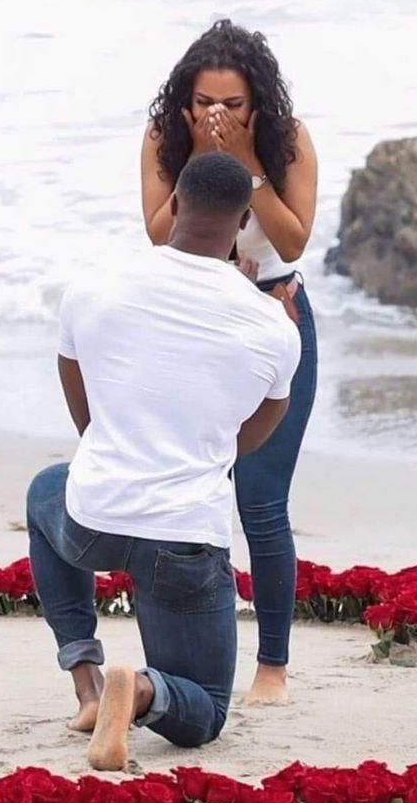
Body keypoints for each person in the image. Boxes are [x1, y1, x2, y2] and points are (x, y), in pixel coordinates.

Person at [27, 152, 301, 771]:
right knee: (203, 709)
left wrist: (118, 448)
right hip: (182, 538)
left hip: (93, 518)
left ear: (173, 204)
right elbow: (251, 437)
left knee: (46, 489)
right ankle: (141, 690)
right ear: (240, 226)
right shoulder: (272, 326)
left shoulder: (92, 285)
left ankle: (86, 675)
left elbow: (82, 402)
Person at [141, 19, 318, 704]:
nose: (217, 115)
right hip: (191, 327)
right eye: (204, 102)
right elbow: (160, 236)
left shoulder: (288, 141)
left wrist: (246, 167)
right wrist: (197, 161)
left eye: (232, 104)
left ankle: (272, 665)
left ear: (257, 104)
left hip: (274, 319)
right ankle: (180, 662)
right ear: (185, 100)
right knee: (184, 489)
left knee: (261, 499)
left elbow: (293, 241)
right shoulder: (164, 139)